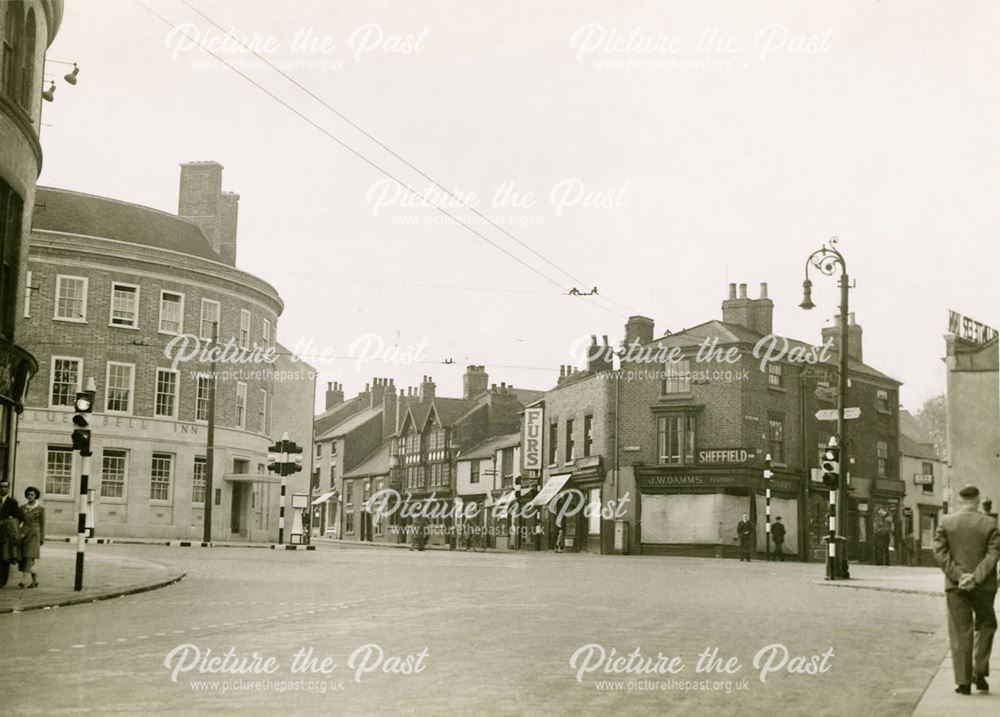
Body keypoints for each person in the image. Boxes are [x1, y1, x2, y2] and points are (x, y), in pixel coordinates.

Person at [933, 484, 1000, 695]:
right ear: (978, 500)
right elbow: (993, 555)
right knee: (986, 624)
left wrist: (959, 576)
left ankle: (963, 682)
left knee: (961, 630)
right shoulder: (990, 524)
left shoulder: (946, 522)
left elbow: (940, 553)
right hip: (984, 586)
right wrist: (976, 578)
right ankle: (979, 672)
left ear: (960, 501)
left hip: (955, 586)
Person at [17, 487, 43, 588]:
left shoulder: (40, 508)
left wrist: (42, 538)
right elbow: (18, 521)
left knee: (28, 556)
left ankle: (23, 580)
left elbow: (42, 524)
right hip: (24, 533)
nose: (30, 496)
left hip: (35, 534)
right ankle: (35, 581)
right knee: (26, 558)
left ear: (36, 495)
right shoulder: (22, 508)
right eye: (29, 494)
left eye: (32, 494)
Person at [0, 479, 22, 588]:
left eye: (5, 487)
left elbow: (19, 517)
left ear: (8, 488)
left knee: (5, 558)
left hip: (6, 535)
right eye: (1, 486)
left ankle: (2, 582)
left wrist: (11, 519)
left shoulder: (12, 502)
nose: (3, 488)